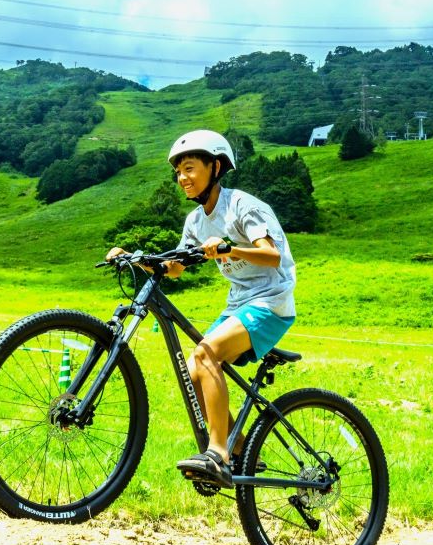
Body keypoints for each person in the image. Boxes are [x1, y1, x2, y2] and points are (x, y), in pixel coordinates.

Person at [107, 129, 296, 489]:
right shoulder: (195, 221)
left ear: (216, 166)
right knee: (194, 367)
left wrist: (229, 248)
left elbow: (272, 256)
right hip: (239, 303)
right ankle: (239, 449)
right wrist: (135, 258)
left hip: (272, 301)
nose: (182, 178)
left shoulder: (243, 206)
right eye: (178, 172)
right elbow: (175, 266)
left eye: (190, 168)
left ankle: (218, 453)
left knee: (206, 353)